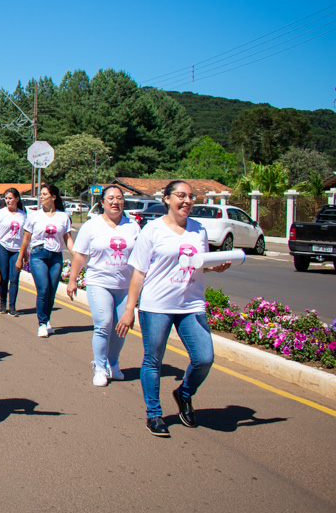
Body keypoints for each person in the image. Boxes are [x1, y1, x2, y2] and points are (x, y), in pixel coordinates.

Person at [115, 181, 231, 436]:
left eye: (191, 196)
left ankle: (184, 393)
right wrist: (129, 309)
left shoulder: (198, 230)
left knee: (204, 358)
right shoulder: (152, 230)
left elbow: (198, 263)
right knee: (153, 360)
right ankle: (154, 414)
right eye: (181, 195)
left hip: (191, 304)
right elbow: (139, 272)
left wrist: (215, 266)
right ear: (167, 199)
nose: (187, 200)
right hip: (157, 305)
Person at [67, 185, 140, 386]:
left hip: (125, 285)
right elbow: (80, 255)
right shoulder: (91, 226)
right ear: (102, 202)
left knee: (120, 328)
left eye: (119, 198)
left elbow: (142, 258)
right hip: (99, 282)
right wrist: (73, 280)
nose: (115, 202)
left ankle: (113, 363)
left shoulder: (132, 226)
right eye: (111, 198)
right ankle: (99, 367)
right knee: (104, 324)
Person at [17, 184, 74, 338]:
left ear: (53, 197)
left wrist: (76, 256)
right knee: (43, 289)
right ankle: (42, 323)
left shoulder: (63, 217)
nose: (41, 197)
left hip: (56, 256)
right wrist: (21, 257)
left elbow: (67, 239)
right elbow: (26, 238)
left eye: (44, 194)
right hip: (38, 254)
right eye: (40, 194)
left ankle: (47, 320)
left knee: (51, 291)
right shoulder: (34, 215)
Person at [0, 188, 26, 316]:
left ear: (17, 199)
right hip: (2, 247)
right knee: (4, 277)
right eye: (6, 198)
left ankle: (12, 306)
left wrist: (26, 252)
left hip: (17, 249)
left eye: (10, 198)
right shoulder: (1, 213)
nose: (8, 201)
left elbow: (26, 235)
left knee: (14, 277)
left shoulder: (23, 215)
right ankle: (2, 304)